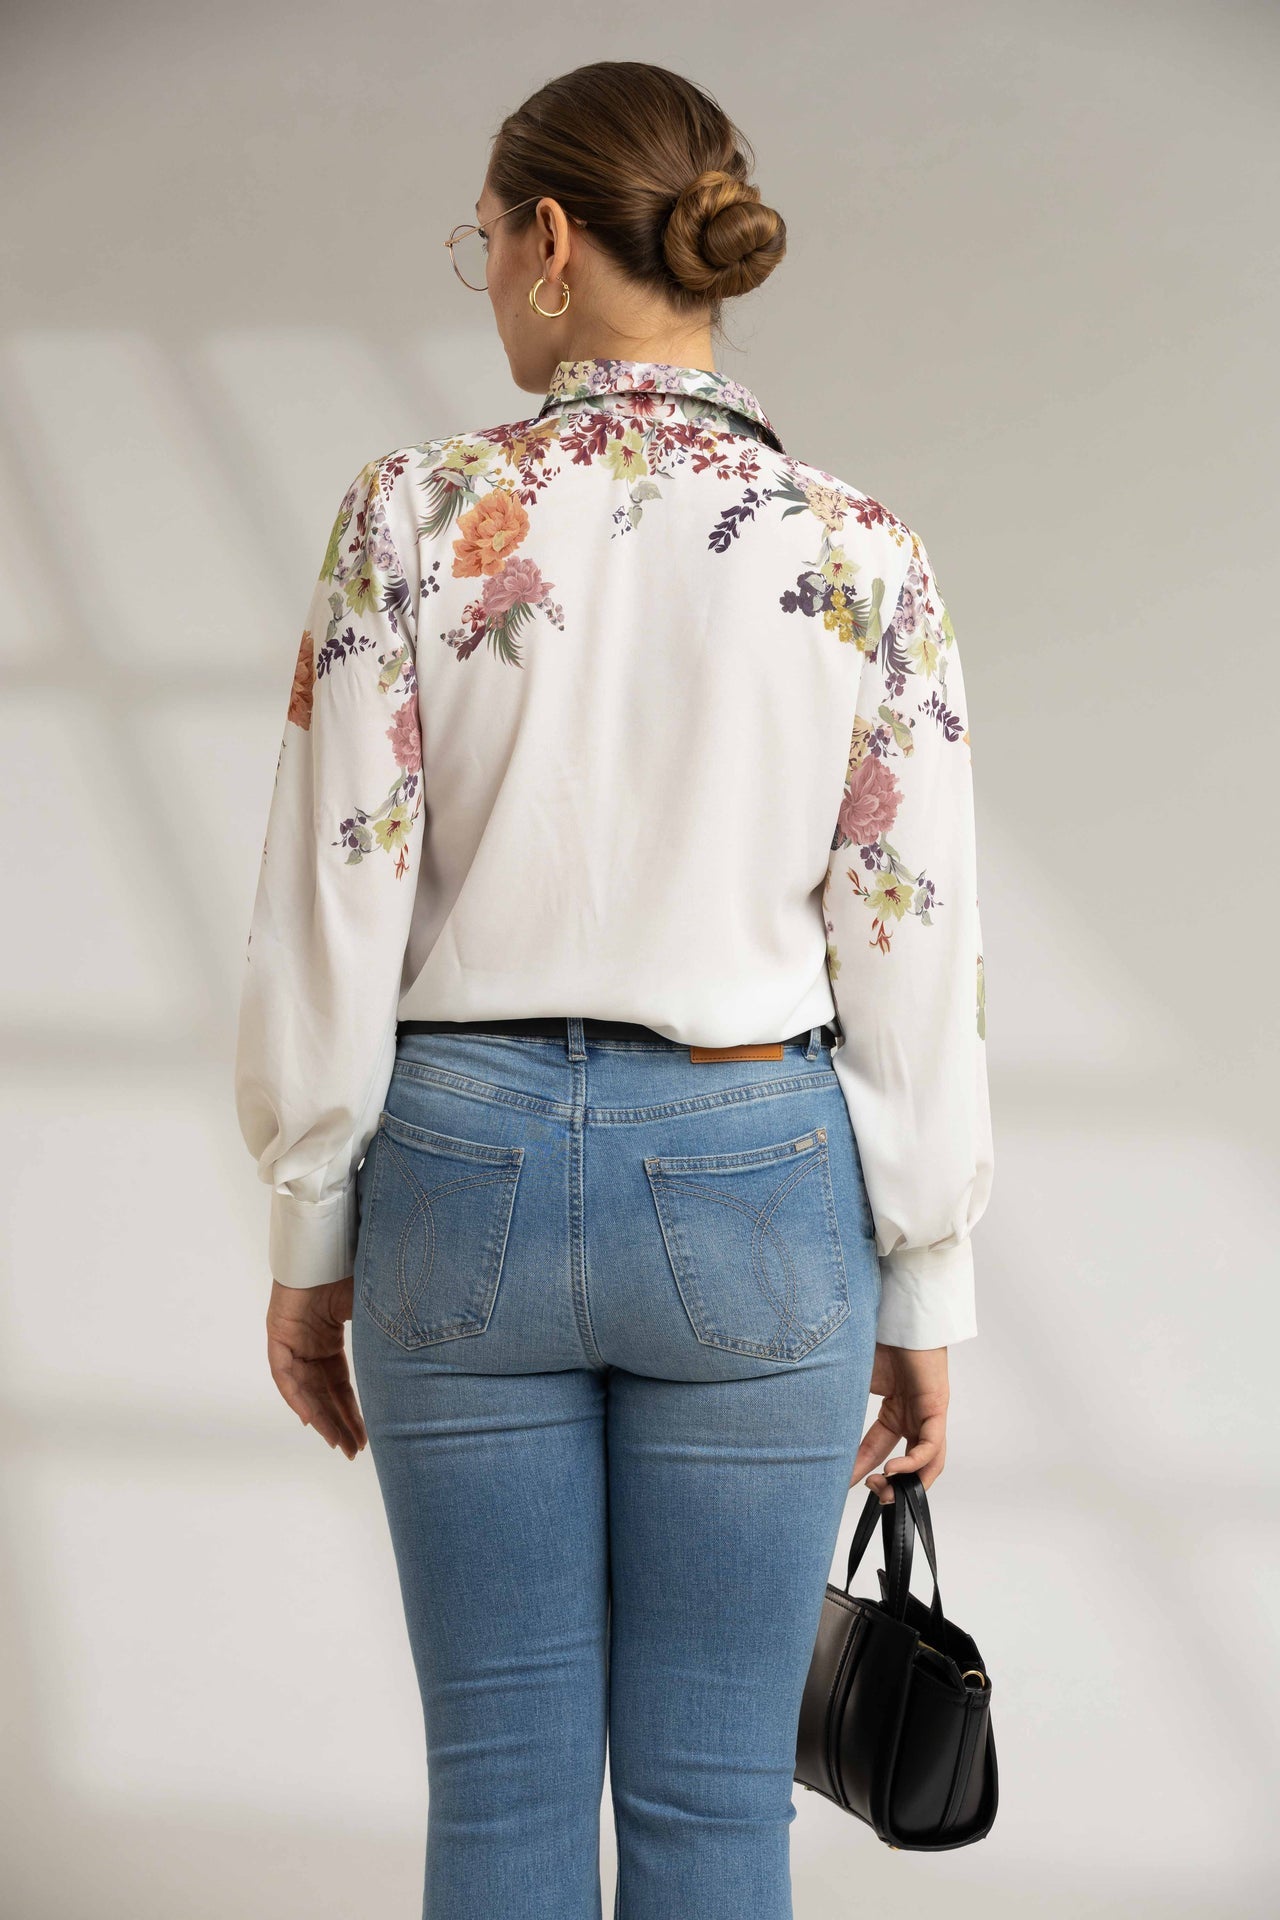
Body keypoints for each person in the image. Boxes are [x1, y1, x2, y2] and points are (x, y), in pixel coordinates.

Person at [234, 57, 993, 1920]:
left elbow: (336, 890)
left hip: (459, 1174)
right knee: (718, 1808)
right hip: (756, 1175)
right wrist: (924, 1272)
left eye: (484, 239)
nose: (486, 275)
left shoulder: (410, 514)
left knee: (499, 1795)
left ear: (552, 240)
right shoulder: (861, 550)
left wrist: (312, 1227)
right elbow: (910, 936)